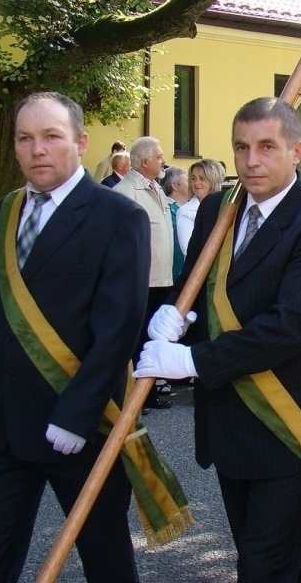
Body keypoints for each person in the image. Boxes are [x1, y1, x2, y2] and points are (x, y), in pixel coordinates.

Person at [134, 97, 301, 581]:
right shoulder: (218, 208)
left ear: (297, 152)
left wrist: (190, 360)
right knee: (270, 563)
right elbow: (195, 278)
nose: (251, 160)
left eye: (267, 147)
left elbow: (289, 328)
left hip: (285, 425)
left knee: (264, 568)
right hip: (229, 420)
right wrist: (176, 313)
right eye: (241, 147)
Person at [0, 92, 149, 582]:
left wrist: (76, 416)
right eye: (25, 138)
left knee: (105, 560)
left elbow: (118, 331)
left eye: (51, 137)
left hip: (80, 426)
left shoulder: (118, 217)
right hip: (2, 426)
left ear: (80, 142)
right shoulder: (2, 213)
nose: (37, 149)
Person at [113, 136, 173, 410]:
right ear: (145, 160)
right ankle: (135, 395)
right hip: (142, 279)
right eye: (159, 157)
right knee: (138, 338)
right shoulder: (126, 191)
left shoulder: (155, 188)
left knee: (153, 336)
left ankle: (148, 390)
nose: (163, 161)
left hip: (161, 277)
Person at [176, 158, 226, 256]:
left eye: (202, 178)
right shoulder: (186, 212)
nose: (196, 183)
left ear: (213, 180)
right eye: (193, 178)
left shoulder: (225, 206)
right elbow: (188, 250)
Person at [161, 165, 190, 282]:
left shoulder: (191, 207)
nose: (192, 184)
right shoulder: (166, 209)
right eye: (187, 181)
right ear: (174, 186)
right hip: (173, 275)